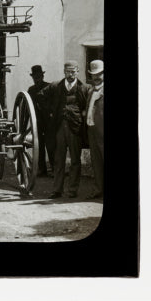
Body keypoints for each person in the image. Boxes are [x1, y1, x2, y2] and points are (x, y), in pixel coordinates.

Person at [47, 60, 88, 199]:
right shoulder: (55, 86)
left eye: (73, 71)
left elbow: (87, 106)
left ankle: (72, 190)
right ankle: (57, 190)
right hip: (59, 127)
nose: (70, 74)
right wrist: (51, 111)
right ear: (64, 71)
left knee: (75, 160)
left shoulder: (84, 88)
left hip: (75, 128)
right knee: (59, 160)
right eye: (68, 71)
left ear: (77, 71)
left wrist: (82, 113)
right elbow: (41, 96)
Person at [27, 64, 52, 177]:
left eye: (39, 76)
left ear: (42, 76)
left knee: (51, 145)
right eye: (35, 77)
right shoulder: (31, 90)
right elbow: (28, 106)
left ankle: (55, 168)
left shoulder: (49, 87)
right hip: (36, 122)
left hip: (49, 122)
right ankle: (42, 169)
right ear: (32, 77)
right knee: (38, 146)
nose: (37, 79)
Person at [85, 59, 104, 199]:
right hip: (92, 132)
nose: (96, 78)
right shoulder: (91, 90)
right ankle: (98, 189)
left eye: (99, 74)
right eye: (94, 75)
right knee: (96, 162)